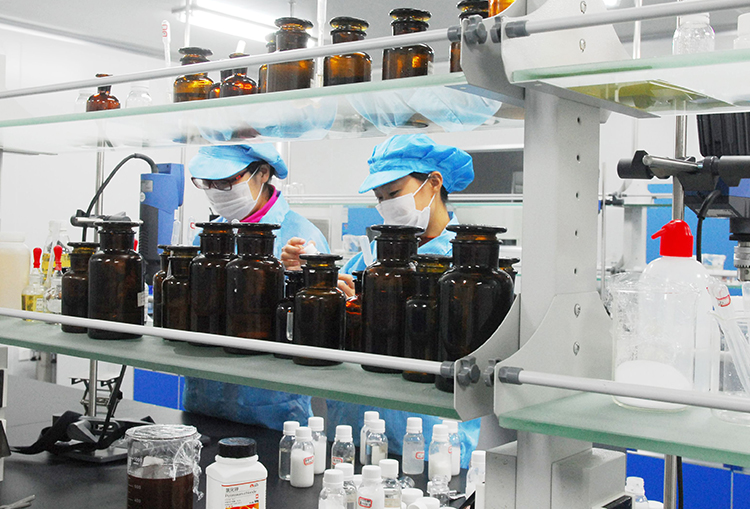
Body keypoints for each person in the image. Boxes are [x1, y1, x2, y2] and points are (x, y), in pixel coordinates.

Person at [282, 134, 481, 466]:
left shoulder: (464, 264)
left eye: (394, 193)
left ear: (434, 183)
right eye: (379, 197)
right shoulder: (371, 256)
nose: (386, 205)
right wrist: (306, 277)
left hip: (425, 435)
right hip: (353, 426)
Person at [182, 143, 329, 430]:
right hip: (203, 398)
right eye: (207, 183)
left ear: (262, 173)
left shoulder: (300, 235)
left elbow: (317, 328)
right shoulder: (206, 236)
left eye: (225, 182)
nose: (214, 190)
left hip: (269, 406)